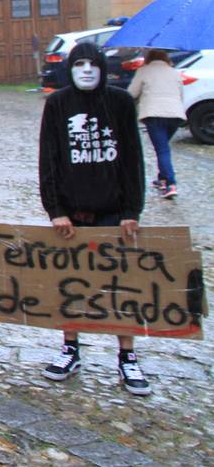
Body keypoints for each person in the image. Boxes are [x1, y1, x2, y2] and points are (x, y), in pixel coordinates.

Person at [39, 41, 150, 395]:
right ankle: (70, 348)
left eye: (93, 63)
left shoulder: (118, 103)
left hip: (114, 212)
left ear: (102, 67)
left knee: (122, 284)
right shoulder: (57, 104)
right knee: (70, 282)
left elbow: (133, 158)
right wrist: (56, 211)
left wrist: (132, 210)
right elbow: (50, 159)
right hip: (72, 214)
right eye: (79, 63)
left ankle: (127, 356)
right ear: (70, 69)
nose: (86, 70)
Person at [127, 48, 186, 200]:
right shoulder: (175, 72)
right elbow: (181, 95)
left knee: (162, 150)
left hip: (154, 114)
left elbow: (131, 93)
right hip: (175, 115)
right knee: (163, 147)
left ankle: (171, 184)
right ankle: (162, 179)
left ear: (149, 57)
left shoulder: (144, 71)